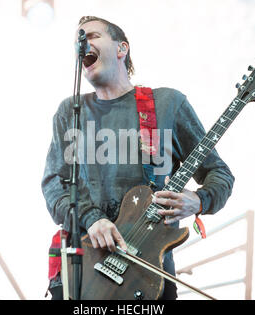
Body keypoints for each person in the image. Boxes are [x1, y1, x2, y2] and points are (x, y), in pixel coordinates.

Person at [42, 16, 234, 300]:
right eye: (78, 42)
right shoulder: (71, 111)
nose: (82, 45)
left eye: (92, 36)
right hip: (82, 271)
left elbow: (218, 172)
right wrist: (92, 219)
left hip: (148, 274)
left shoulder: (167, 104)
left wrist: (199, 200)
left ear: (122, 48)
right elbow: (54, 184)